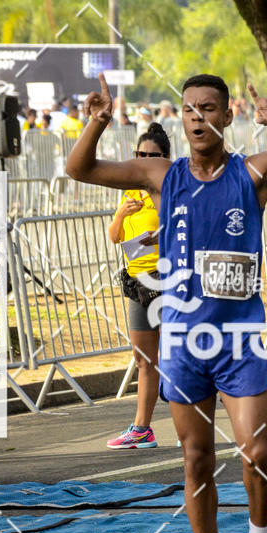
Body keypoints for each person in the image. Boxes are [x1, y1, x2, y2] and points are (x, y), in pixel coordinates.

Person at [66, 73, 267, 533]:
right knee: (196, 461)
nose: (196, 117)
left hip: (238, 339)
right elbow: (81, 169)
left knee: (257, 453)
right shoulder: (159, 175)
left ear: (227, 115)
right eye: (188, 109)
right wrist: (97, 120)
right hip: (185, 343)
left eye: (208, 108)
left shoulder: (253, 170)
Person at [106, 122, 170, 450]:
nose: (145, 160)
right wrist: (122, 213)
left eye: (153, 156)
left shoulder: (170, 190)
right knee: (144, 359)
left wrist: (154, 236)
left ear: (166, 159)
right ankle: (142, 429)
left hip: (168, 281)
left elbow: (182, 229)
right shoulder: (129, 192)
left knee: (184, 355)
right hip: (137, 283)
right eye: (140, 154)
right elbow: (115, 236)